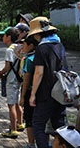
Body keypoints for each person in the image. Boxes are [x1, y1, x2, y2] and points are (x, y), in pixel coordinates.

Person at [28, 17, 67, 148]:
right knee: (59, 126)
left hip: (46, 93)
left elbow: (39, 73)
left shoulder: (42, 48)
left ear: (38, 34)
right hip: (61, 92)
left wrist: (33, 94)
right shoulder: (59, 45)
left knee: (38, 124)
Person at [0, 27, 24, 138]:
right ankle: (20, 123)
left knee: (11, 104)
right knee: (17, 102)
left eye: (4, 35)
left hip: (11, 80)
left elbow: (7, 67)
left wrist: (0, 73)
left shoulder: (9, 50)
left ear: (8, 37)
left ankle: (13, 130)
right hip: (19, 79)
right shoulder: (20, 47)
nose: (2, 37)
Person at [19, 36, 39, 147]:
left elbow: (26, 80)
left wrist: (22, 96)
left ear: (31, 46)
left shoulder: (29, 59)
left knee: (29, 119)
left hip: (30, 92)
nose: (22, 46)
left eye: (24, 44)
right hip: (42, 92)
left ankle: (31, 143)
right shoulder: (40, 56)